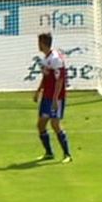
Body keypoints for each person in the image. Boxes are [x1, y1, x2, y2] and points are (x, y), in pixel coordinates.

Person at [33, 32, 72, 163]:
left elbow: (60, 80)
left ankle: (67, 154)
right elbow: (46, 78)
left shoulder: (56, 59)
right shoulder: (46, 58)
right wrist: (38, 91)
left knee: (55, 124)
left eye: (39, 42)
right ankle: (49, 153)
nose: (38, 45)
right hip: (46, 97)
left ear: (43, 43)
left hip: (56, 98)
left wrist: (55, 99)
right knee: (41, 125)